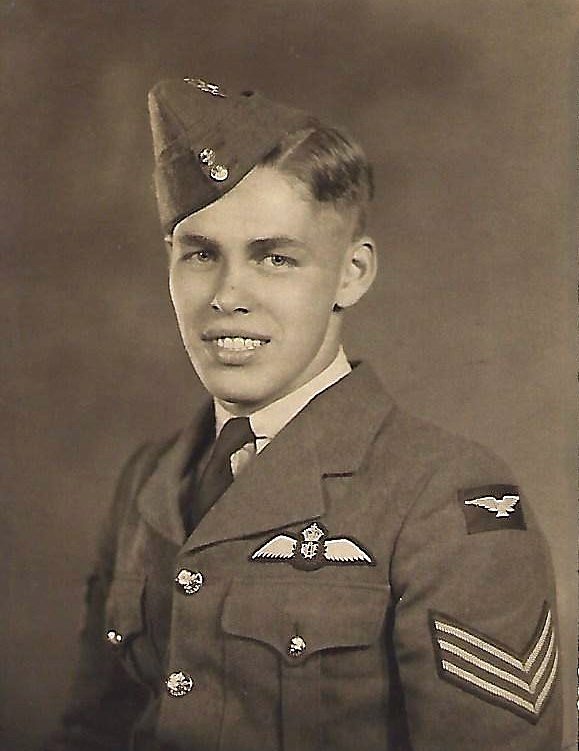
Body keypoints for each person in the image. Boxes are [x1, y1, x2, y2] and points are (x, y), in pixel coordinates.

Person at [46, 77, 562, 751]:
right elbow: (92, 733)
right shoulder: (149, 481)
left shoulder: (446, 501)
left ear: (352, 273)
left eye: (275, 258)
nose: (227, 295)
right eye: (201, 253)